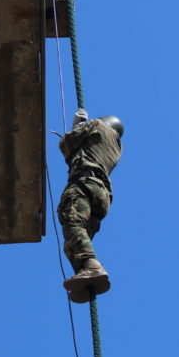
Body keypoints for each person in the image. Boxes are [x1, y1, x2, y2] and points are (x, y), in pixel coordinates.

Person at [56, 109, 123, 303]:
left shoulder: (97, 125)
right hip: (102, 195)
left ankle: (91, 267)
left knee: (73, 224)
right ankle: (86, 273)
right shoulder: (117, 146)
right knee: (78, 236)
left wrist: (79, 125)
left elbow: (67, 144)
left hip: (84, 182)